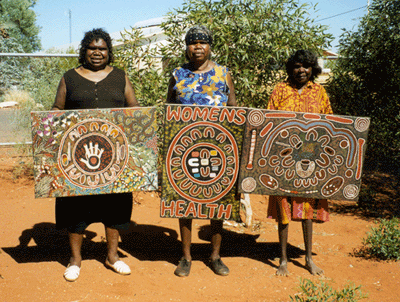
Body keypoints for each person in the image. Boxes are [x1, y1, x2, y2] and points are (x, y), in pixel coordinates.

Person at [52, 28, 139, 282]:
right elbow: (57, 108)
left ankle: (113, 257)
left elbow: (134, 108)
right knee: (75, 206)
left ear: (109, 52)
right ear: (84, 50)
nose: (97, 53)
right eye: (92, 48)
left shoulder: (120, 77)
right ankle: (75, 260)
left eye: (102, 48)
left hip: (114, 156)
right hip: (78, 157)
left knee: (114, 205)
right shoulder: (70, 77)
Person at [166, 25, 237, 277]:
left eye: (203, 42)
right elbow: (169, 110)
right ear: (186, 47)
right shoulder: (177, 74)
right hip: (184, 147)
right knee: (185, 200)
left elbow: (234, 111)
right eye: (192, 42)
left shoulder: (223, 73)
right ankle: (185, 257)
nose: (197, 46)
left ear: (210, 46)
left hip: (218, 147)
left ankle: (215, 255)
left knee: (217, 200)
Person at [266, 49, 332, 276]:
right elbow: (270, 120)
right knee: (283, 209)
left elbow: (329, 123)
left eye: (306, 66)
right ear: (290, 69)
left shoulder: (320, 92)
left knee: (307, 209)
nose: (301, 70)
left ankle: (307, 258)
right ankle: (283, 259)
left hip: (310, 158)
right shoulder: (280, 90)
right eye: (296, 66)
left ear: (313, 68)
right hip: (284, 157)